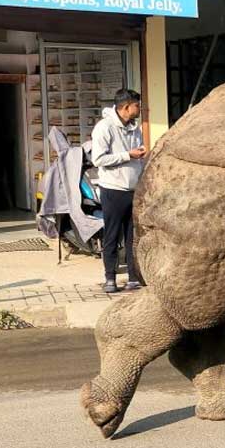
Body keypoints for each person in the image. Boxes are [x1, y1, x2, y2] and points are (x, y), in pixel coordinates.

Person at [91, 89, 147, 294]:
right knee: (112, 236)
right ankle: (110, 279)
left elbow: (137, 155)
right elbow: (98, 159)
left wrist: (139, 157)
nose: (139, 109)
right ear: (126, 107)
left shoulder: (135, 128)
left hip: (134, 190)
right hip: (113, 190)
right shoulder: (104, 128)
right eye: (137, 106)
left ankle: (133, 278)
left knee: (133, 237)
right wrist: (127, 155)